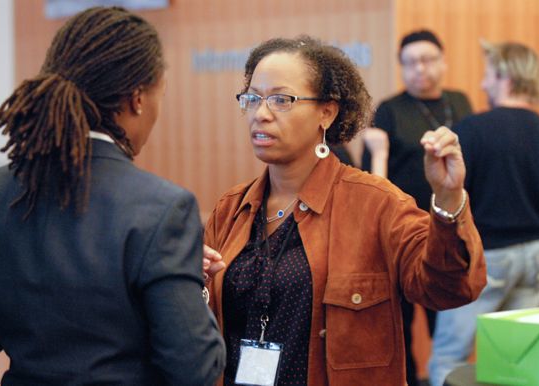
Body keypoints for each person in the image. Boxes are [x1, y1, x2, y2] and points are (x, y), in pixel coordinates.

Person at [203, 35, 486, 386]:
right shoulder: (231, 209)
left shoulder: (375, 203)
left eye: (281, 99)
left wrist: (448, 196)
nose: (261, 114)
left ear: (327, 111)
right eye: (252, 99)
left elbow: (449, 288)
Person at [0, 7, 225, 386]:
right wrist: (188, 283)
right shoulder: (163, 209)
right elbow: (195, 368)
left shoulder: (1, 190)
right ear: (137, 99)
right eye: (160, 95)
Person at [428, 41, 539, 386]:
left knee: (450, 355)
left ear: (505, 76)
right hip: (536, 258)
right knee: (518, 358)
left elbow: (452, 197)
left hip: (488, 258)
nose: (482, 85)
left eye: (488, 75)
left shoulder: (472, 132)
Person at [361, 29, 474, 386]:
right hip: (405, 230)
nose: (419, 69)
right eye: (409, 63)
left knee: (449, 316)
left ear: (443, 62)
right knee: (402, 318)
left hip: (450, 224)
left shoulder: (460, 101)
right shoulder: (390, 111)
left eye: (427, 60)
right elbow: (369, 176)